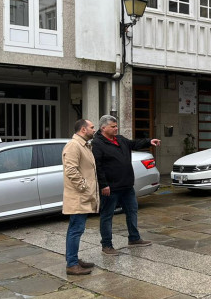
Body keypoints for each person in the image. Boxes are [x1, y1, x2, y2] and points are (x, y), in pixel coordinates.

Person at [92, 114, 160, 255]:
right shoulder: (97, 143)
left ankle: (134, 238)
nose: (116, 128)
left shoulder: (120, 139)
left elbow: (134, 144)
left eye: (116, 126)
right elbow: (97, 166)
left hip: (127, 186)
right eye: (113, 126)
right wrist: (103, 185)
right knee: (107, 216)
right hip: (110, 188)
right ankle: (106, 245)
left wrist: (149, 141)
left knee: (132, 211)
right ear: (103, 128)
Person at [62, 119, 99, 275]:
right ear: (83, 129)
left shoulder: (84, 145)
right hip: (78, 196)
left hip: (82, 196)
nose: (94, 130)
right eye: (92, 127)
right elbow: (70, 170)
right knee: (76, 230)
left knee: (76, 229)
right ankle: (71, 264)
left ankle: (74, 259)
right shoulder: (74, 145)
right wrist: (84, 187)